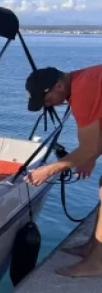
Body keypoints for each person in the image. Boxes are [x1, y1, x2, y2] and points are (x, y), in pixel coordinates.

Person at [24, 64, 102, 277]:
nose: (48, 106)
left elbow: (88, 146)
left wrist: (48, 170)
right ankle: (92, 248)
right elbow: (94, 140)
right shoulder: (83, 80)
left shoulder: (83, 91)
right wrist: (91, 156)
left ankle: (97, 262)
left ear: (58, 86)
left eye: (47, 101)